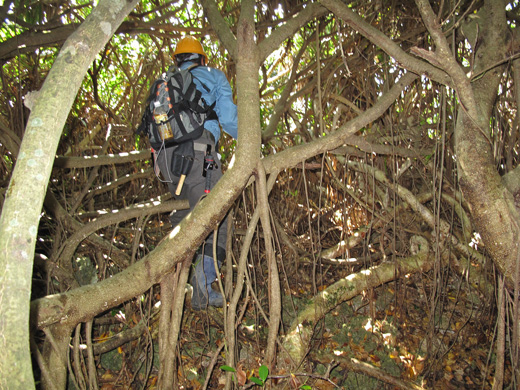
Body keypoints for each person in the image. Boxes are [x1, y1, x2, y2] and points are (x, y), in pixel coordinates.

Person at [153, 36, 238, 310]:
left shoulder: (167, 82)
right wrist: (253, 139)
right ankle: (203, 281)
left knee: (183, 216)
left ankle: (179, 280)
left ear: (177, 59)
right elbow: (229, 119)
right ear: (202, 58)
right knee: (217, 214)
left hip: (167, 163)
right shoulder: (212, 75)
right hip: (199, 154)